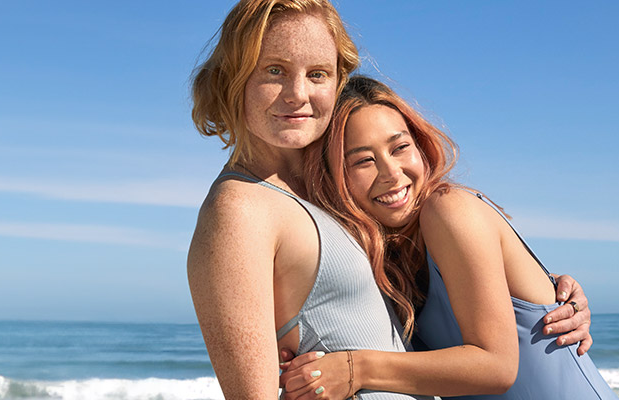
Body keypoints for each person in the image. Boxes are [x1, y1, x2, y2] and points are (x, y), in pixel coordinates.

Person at [185, 2, 596, 399]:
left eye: (317, 74)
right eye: (274, 70)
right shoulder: (240, 209)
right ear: (232, 77)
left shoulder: (351, 210)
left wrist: (547, 291)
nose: (297, 94)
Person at [275, 76, 619, 400]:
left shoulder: (449, 209)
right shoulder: (385, 262)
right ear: (333, 178)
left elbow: (497, 366)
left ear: (420, 147)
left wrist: (356, 368)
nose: (392, 173)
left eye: (399, 147)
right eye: (364, 160)